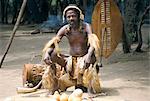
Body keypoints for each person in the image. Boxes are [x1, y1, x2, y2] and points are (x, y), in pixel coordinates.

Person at [43, 4, 101, 93]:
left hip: (85, 61)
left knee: (92, 56)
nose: (71, 18)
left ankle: (89, 85)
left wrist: (88, 55)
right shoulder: (65, 29)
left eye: (73, 16)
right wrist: (47, 53)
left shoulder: (86, 27)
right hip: (71, 63)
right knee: (52, 54)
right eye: (68, 17)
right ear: (65, 18)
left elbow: (93, 43)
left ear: (78, 16)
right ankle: (54, 85)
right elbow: (54, 43)